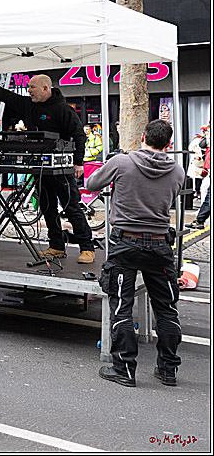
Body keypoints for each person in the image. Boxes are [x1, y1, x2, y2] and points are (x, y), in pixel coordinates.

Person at [87, 119, 186, 387]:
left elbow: (92, 182)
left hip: (126, 244)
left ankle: (125, 369)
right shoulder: (178, 172)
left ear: (142, 137)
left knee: (121, 307)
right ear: (169, 144)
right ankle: (168, 370)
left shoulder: (122, 163)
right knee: (166, 309)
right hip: (159, 245)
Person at [0, 74, 95, 264]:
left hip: (62, 167)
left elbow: (79, 135)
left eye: (32, 87)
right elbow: (9, 97)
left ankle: (87, 248)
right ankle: (56, 245)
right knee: (47, 206)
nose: (29, 90)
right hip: (40, 166)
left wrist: (78, 162)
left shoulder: (62, 109)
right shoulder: (29, 105)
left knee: (71, 206)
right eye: (28, 87)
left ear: (45, 88)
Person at [186, 125, 208, 199]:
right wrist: (195, 153)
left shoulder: (207, 140)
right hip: (197, 161)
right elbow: (190, 148)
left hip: (204, 160)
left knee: (203, 177)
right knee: (197, 176)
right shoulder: (197, 140)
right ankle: (197, 191)